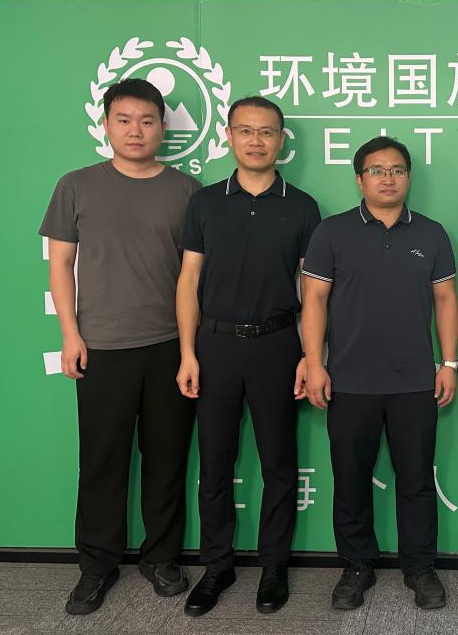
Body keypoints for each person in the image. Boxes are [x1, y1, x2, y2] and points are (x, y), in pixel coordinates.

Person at [39, 78, 199, 615]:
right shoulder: (76, 186)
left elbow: (194, 276)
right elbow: (60, 265)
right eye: (124, 120)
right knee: (102, 462)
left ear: (162, 127)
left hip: (169, 345)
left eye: (147, 121)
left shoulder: (186, 190)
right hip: (102, 346)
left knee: (167, 460)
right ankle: (97, 565)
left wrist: (191, 349)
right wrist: (71, 334)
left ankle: (162, 558)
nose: (136, 131)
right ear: (106, 124)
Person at [299, 136, 458, 611]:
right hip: (349, 381)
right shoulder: (331, 232)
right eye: (376, 170)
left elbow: (445, 300)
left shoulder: (431, 233)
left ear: (408, 177)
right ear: (359, 179)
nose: (388, 178)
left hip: (415, 381)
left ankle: (420, 567)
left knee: (416, 480)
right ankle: (356, 565)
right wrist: (315, 363)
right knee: (351, 478)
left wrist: (449, 362)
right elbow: (314, 300)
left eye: (397, 170)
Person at [175, 97, 321, 616]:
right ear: (229, 136)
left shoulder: (302, 206)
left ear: (281, 139)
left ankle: (274, 566)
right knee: (215, 460)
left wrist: (310, 355)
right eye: (245, 130)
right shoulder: (205, 202)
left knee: (279, 461)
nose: (256, 141)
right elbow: (189, 279)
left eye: (266, 132)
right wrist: (187, 352)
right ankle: (217, 566)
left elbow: (312, 291)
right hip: (214, 346)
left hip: (277, 345)